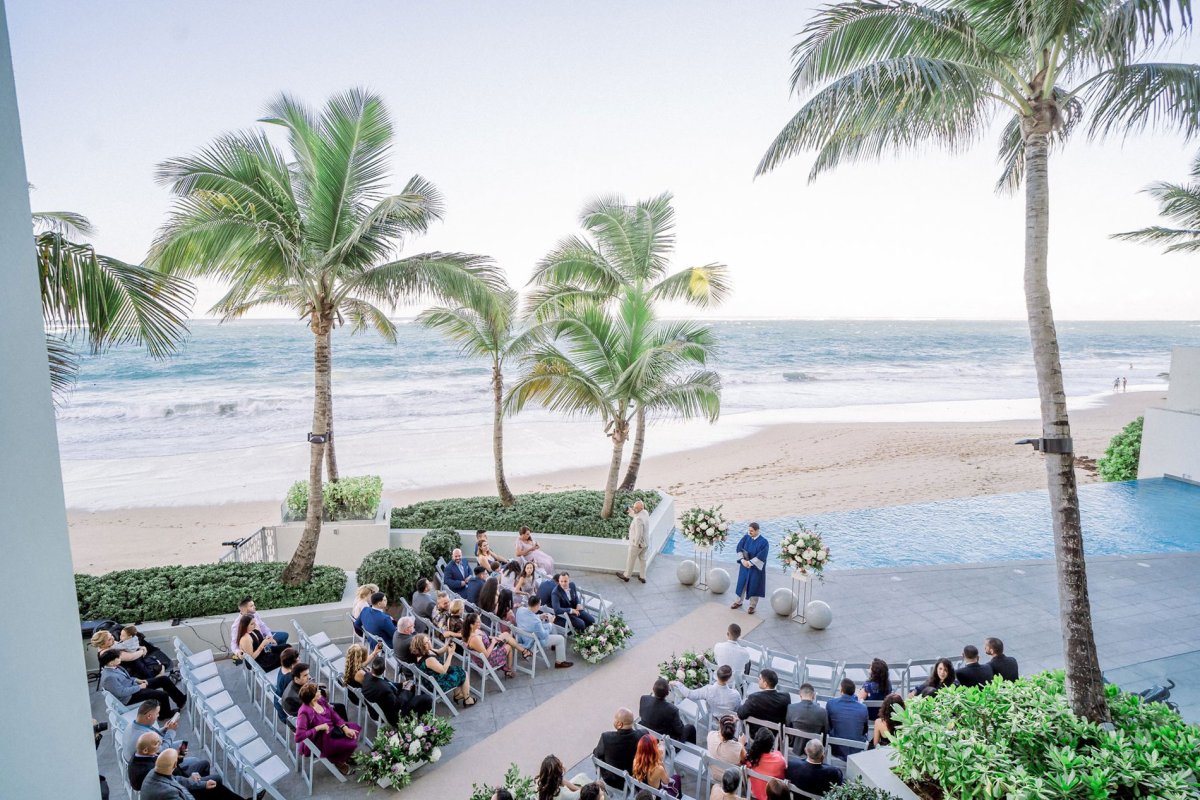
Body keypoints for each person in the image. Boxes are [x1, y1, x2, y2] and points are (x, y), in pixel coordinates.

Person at [122, 700, 209, 776]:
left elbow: (151, 734)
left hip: (144, 759)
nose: (158, 716)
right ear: (149, 716)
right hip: (152, 764)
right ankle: (179, 769)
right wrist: (171, 731)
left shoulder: (133, 724)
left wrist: (165, 729)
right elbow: (162, 749)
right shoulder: (141, 737)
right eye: (157, 713)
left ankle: (178, 762)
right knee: (196, 760)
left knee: (183, 744)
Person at [99, 649, 187, 719]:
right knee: (162, 695)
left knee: (163, 679)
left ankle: (180, 700)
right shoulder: (109, 677)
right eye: (117, 658)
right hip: (129, 697)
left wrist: (137, 680)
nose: (120, 659)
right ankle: (165, 714)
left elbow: (126, 679)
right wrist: (139, 687)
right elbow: (121, 692)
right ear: (111, 662)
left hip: (133, 686)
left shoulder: (115, 666)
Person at [295, 682, 360, 773]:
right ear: (312, 697)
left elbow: (333, 714)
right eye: (317, 691)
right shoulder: (304, 713)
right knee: (350, 744)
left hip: (333, 730)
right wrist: (318, 727)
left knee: (353, 732)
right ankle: (339, 762)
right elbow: (299, 737)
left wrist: (345, 728)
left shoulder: (320, 700)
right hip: (320, 739)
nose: (319, 691)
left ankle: (344, 757)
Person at [360, 656, 433, 726]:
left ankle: (411, 718)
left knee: (411, 685)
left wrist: (401, 684)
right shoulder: (385, 690)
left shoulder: (367, 677)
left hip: (379, 707)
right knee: (427, 699)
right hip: (395, 716)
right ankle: (421, 724)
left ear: (372, 668)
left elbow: (388, 684)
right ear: (384, 669)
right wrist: (406, 690)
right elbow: (398, 703)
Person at [410, 633, 475, 707]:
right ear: (421, 646)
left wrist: (447, 644)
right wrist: (450, 654)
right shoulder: (429, 659)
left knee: (455, 670)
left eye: (428, 640)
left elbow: (439, 651)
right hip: (437, 685)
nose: (429, 642)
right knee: (463, 673)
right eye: (426, 643)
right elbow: (444, 670)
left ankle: (457, 695)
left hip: (433, 679)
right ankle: (467, 699)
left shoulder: (425, 651)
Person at [516, 595, 573, 668]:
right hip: (533, 642)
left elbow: (529, 618)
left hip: (523, 636)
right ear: (536, 606)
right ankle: (560, 662)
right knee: (560, 638)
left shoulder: (520, 610)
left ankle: (555, 646)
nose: (540, 606)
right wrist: (550, 623)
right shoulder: (536, 622)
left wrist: (540, 616)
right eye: (539, 605)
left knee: (551, 627)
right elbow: (544, 636)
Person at [465, 611, 526, 680]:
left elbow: (483, 638)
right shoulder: (475, 639)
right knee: (508, 647)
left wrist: (492, 638)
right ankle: (509, 670)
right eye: (478, 622)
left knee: (506, 634)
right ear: (471, 625)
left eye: (480, 620)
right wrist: (493, 643)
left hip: (487, 649)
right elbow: (486, 655)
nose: (480, 623)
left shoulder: (471, 631)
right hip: (487, 661)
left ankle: (524, 652)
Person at [281, 662, 349, 721]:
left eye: (308, 674)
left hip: (310, 712)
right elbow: (310, 711)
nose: (309, 677)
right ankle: (342, 733)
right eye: (305, 675)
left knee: (340, 707)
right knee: (338, 711)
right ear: (296, 678)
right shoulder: (294, 697)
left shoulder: (296, 683)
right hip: (308, 720)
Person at [672, 663, 741, 720]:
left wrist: (678, 683)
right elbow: (737, 709)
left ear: (717, 675)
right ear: (729, 679)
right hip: (730, 719)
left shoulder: (707, 690)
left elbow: (689, 694)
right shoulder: (736, 694)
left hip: (715, 716)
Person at [639, 677, 697, 745]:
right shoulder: (672, 709)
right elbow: (680, 731)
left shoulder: (644, 698)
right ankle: (691, 751)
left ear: (653, 689)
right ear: (667, 693)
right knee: (690, 728)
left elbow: (641, 715)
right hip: (667, 744)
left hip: (648, 738)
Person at [593, 707, 640, 789]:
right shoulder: (642, 735)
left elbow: (597, 755)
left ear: (619, 724)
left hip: (612, 780)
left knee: (597, 752)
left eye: (615, 719)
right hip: (636, 779)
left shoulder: (606, 737)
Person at [91, 628, 161, 680]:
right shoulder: (108, 653)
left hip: (130, 667)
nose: (113, 638)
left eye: (111, 636)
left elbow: (126, 647)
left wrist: (140, 647)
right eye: (109, 639)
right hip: (127, 674)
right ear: (102, 644)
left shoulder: (109, 644)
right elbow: (131, 657)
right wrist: (143, 650)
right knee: (157, 668)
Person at [737, 668, 789, 734]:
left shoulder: (754, 698)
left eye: (760, 679)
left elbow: (741, 714)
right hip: (775, 734)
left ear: (765, 684)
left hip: (755, 733)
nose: (758, 680)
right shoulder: (786, 698)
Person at [826, 678, 869, 759]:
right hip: (857, 749)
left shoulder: (831, 704)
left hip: (837, 747)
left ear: (841, 690)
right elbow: (865, 729)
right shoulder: (863, 708)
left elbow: (828, 725)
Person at [732, 522, 768, 613]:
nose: (749, 532)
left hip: (755, 568)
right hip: (744, 565)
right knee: (741, 583)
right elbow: (739, 548)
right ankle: (738, 602)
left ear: (757, 530)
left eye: (751, 531)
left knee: (754, 585)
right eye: (749, 530)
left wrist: (750, 563)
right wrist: (743, 560)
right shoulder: (746, 537)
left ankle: (752, 606)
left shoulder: (764, 542)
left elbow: (762, 556)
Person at [743, 728, 786, 800]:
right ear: (772, 744)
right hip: (772, 796)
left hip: (755, 793)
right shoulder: (780, 760)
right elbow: (784, 771)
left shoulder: (751, 759)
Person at [786, 683, 829, 752]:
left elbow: (787, 728)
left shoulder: (791, 708)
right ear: (814, 695)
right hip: (815, 750)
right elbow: (826, 733)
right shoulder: (823, 712)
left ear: (800, 694)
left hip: (795, 748)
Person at [706, 714, 746, 781]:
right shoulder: (738, 749)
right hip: (731, 779)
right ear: (734, 731)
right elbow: (744, 759)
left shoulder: (710, 735)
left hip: (715, 775)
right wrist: (741, 744)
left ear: (720, 725)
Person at [619, 500, 650, 583]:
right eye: (634, 507)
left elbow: (639, 533)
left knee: (630, 560)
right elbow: (636, 514)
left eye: (636, 508)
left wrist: (636, 543)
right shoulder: (645, 513)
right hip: (646, 543)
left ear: (641, 508)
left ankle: (626, 576)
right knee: (643, 560)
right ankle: (642, 577)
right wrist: (629, 510)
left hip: (638, 544)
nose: (634, 508)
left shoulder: (638, 519)